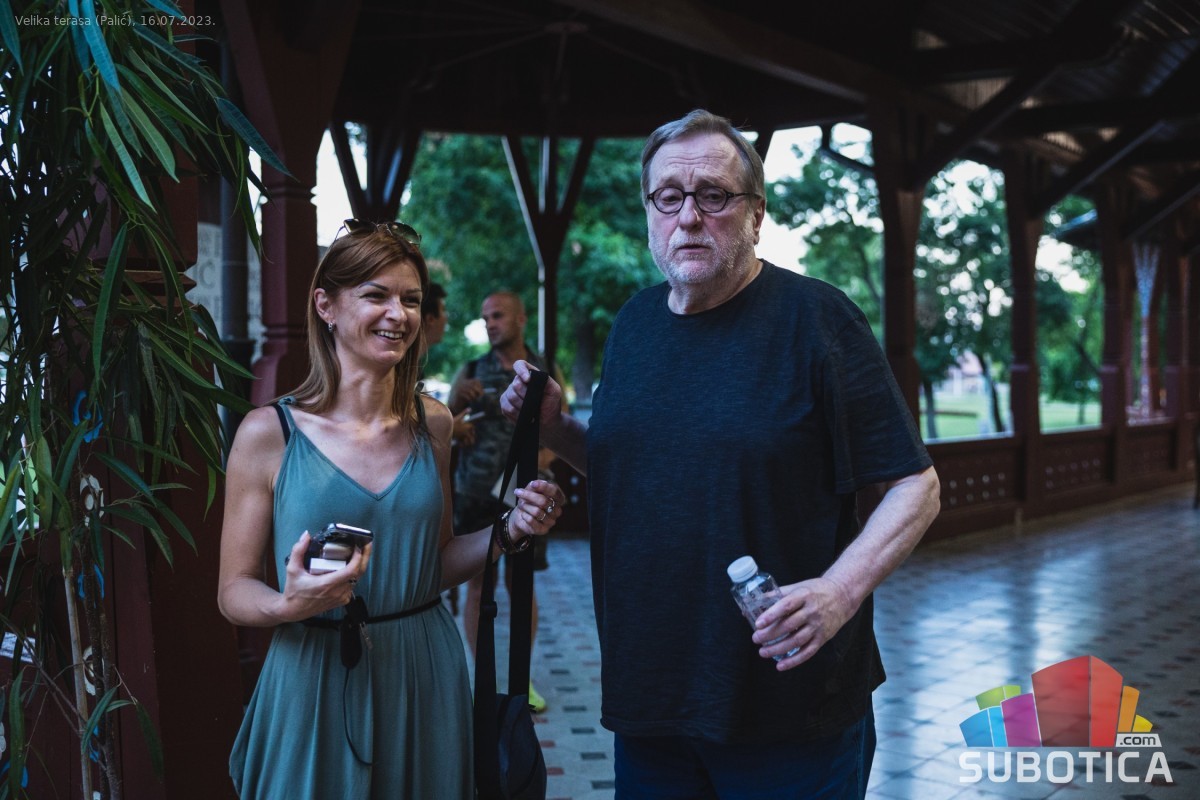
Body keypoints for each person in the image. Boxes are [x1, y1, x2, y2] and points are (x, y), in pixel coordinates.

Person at [501, 110, 941, 799]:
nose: (689, 216)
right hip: (650, 697)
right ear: (649, 212)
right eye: (668, 197)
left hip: (788, 706)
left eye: (714, 195)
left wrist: (838, 592)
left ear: (756, 213)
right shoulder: (634, 324)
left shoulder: (818, 319)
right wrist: (556, 428)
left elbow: (917, 486)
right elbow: (638, 471)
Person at [218, 220, 566, 798]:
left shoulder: (434, 424)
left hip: (423, 670)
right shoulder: (268, 433)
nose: (398, 314)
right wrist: (286, 603)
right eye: (376, 295)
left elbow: (438, 561)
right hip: (314, 669)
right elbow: (233, 590)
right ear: (326, 306)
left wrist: (511, 528)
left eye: (410, 299)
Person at [447, 291, 559, 714]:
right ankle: (484, 679)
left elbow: (559, 427)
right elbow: (443, 425)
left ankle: (520, 679)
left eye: (497, 316)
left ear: (521, 318)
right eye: (485, 318)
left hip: (524, 497)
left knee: (521, 583)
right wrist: (457, 401)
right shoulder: (471, 370)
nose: (490, 324)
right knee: (478, 584)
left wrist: (541, 460)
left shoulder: (544, 368)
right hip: (475, 495)